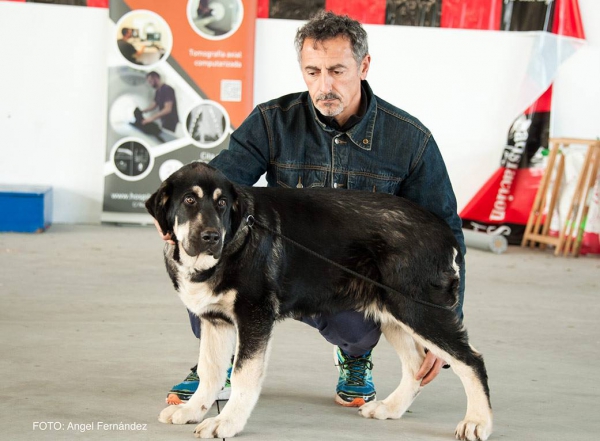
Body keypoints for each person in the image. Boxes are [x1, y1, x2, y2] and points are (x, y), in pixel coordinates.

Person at [159, 10, 466, 408]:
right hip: (277, 266)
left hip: (347, 279)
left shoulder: (410, 141)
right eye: (313, 71)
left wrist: (446, 320)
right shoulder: (272, 122)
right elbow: (218, 184)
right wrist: (173, 213)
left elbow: (444, 233)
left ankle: (355, 358)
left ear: (364, 65)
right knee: (207, 276)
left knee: (358, 328)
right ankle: (213, 371)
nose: (325, 85)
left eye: (337, 70)